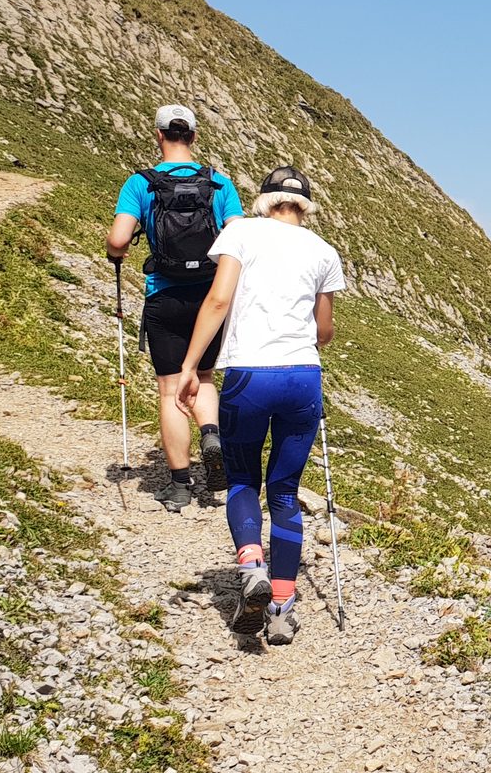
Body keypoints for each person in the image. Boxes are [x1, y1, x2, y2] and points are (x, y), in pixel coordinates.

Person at [175, 166, 344, 644]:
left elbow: (218, 300)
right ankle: (283, 608)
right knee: (286, 492)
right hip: (302, 377)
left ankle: (252, 564)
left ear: (264, 199)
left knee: (243, 478)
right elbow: (324, 331)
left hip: (249, 374)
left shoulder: (241, 232)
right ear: (306, 205)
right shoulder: (323, 250)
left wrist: (190, 366)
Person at [106, 105, 245, 510]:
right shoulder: (218, 183)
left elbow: (118, 240)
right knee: (202, 377)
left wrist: (121, 249)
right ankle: (212, 435)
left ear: (158, 135)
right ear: (194, 137)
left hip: (163, 296)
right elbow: (237, 236)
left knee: (170, 391)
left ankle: (180, 485)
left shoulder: (140, 183)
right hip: (210, 300)